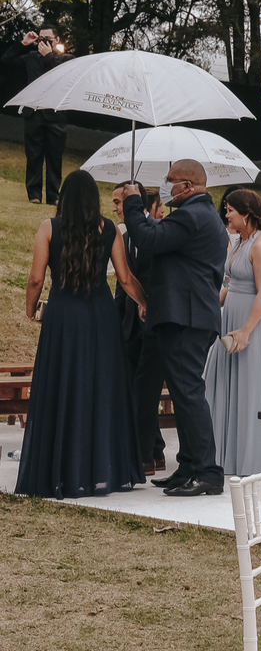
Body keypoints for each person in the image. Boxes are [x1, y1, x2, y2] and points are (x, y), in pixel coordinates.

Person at [16, 170, 147, 498]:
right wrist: (145, 303)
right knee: (100, 385)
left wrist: (30, 309)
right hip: (101, 315)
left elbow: (35, 279)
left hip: (63, 315)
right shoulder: (109, 229)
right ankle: (101, 466)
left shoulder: (49, 228)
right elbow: (125, 278)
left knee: (62, 382)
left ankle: (62, 467)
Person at [120, 160, 228, 497]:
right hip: (188, 317)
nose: (166, 187)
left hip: (187, 319)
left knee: (189, 394)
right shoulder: (199, 215)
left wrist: (133, 202)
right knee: (183, 395)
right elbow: (160, 235)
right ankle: (189, 466)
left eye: (170, 181)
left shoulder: (192, 215)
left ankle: (207, 472)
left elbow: (148, 238)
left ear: (188, 186)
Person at [202, 189, 261, 476]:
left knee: (250, 385)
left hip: (253, 324)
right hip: (231, 315)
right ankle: (223, 455)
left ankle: (254, 458)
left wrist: (245, 332)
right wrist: (211, 303)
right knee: (223, 382)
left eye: (230, 210)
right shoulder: (240, 242)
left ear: (246, 214)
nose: (226, 214)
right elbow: (232, 284)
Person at [112, 181, 167, 475]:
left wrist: (149, 303)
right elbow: (122, 284)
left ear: (135, 202)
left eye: (118, 202)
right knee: (136, 389)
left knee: (146, 391)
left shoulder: (157, 231)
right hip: (130, 325)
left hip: (155, 323)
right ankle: (155, 451)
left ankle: (143, 456)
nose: (114, 208)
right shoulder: (122, 236)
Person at [2, 27, 75, 205]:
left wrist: (48, 56)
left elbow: (64, 74)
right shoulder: (31, 57)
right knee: (33, 157)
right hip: (33, 114)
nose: (43, 42)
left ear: (56, 40)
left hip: (56, 115)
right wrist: (24, 43)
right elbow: (6, 59)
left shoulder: (66, 59)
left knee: (54, 158)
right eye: (40, 38)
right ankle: (34, 194)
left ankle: (53, 195)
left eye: (47, 38)